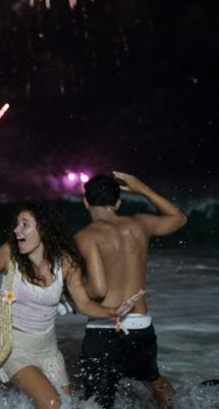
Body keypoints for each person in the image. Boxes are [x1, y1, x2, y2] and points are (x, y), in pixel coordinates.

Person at [0, 204, 143, 409]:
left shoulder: (65, 263)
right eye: (17, 225)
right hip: (15, 347)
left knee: (66, 406)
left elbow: (84, 304)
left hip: (48, 349)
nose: (16, 230)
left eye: (25, 225)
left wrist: (113, 311)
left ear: (44, 230)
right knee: (51, 403)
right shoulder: (9, 254)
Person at [76, 172, 187, 408]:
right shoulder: (140, 224)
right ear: (118, 203)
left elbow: (97, 290)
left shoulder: (85, 237)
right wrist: (142, 189)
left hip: (104, 328)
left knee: (98, 403)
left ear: (85, 202)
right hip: (141, 326)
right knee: (154, 381)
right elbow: (179, 218)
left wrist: (71, 295)